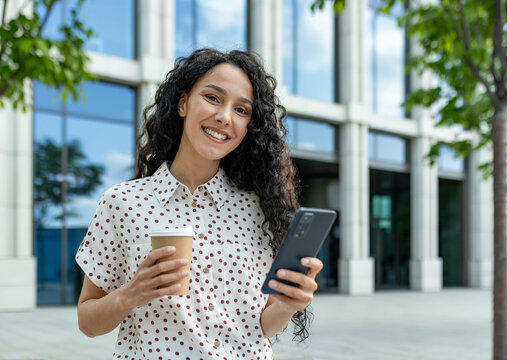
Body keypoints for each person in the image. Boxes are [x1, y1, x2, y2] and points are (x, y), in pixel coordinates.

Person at [75, 48, 324, 360]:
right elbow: (88, 321)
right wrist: (130, 293)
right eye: (213, 98)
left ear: (248, 127)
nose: (224, 116)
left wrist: (289, 303)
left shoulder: (259, 209)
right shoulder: (123, 203)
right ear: (182, 103)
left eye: (242, 110)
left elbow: (259, 327)